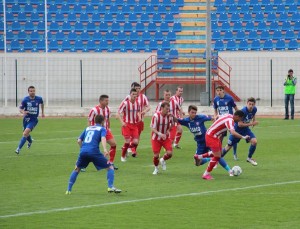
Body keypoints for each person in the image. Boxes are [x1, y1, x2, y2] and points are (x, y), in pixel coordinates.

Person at [65, 115, 121, 194]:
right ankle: (110, 187)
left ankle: (68, 190)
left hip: (83, 151)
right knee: (110, 167)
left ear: (94, 121)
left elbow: (79, 140)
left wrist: (82, 149)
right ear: (102, 121)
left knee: (77, 169)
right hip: (94, 152)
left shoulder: (88, 128)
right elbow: (103, 138)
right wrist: (105, 149)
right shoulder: (102, 129)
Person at [174, 105, 233, 176]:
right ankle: (210, 158)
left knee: (218, 156)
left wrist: (214, 118)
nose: (194, 114)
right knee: (197, 163)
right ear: (188, 112)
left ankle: (230, 170)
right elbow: (177, 120)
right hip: (200, 144)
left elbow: (210, 118)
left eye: (195, 113)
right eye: (192, 112)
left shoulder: (200, 117)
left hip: (208, 139)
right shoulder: (186, 121)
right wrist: (170, 116)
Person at [200, 110, 250, 180]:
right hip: (211, 136)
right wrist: (243, 137)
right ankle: (206, 174)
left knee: (219, 154)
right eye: (240, 119)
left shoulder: (228, 115)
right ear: (237, 116)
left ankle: (199, 156)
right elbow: (233, 132)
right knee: (217, 156)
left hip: (214, 135)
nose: (239, 121)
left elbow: (218, 117)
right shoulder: (230, 120)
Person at [222, 97, 259, 166]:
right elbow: (240, 124)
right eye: (249, 104)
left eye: (252, 104)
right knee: (228, 147)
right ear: (246, 103)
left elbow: (253, 114)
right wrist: (252, 123)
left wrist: (254, 120)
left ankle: (249, 158)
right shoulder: (243, 111)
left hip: (245, 130)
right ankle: (217, 159)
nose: (251, 106)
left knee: (254, 141)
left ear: (254, 105)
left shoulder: (254, 109)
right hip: (237, 130)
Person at [87, 94, 118, 170]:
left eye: (108, 100)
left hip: (105, 130)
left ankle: (110, 162)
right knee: (91, 149)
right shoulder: (94, 110)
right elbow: (89, 120)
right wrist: (89, 130)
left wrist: (109, 128)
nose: (107, 102)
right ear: (101, 101)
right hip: (96, 132)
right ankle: (82, 165)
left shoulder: (108, 109)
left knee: (113, 144)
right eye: (106, 100)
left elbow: (107, 119)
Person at [15, 86, 45, 154]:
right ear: (28, 92)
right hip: (26, 119)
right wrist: (23, 112)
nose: (32, 92)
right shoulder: (25, 100)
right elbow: (20, 109)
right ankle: (30, 141)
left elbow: (42, 104)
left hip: (33, 120)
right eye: (31, 91)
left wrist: (43, 113)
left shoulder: (39, 98)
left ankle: (18, 149)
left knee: (25, 133)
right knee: (26, 133)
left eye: (33, 91)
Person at [213, 85, 239, 160]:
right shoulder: (216, 99)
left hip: (230, 121)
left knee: (233, 136)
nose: (218, 92)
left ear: (223, 91)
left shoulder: (229, 98)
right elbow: (215, 109)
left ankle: (234, 153)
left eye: (220, 90)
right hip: (221, 121)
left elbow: (235, 107)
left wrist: (238, 117)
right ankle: (219, 153)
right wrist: (215, 116)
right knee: (220, 137)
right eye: (217, 90)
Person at [150, 102, 175, 175]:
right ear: (162, 108)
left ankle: (163, 160)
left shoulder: (169, 116)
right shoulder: (156, 116)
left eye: (168, 109)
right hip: (156, 138)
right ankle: (156, 168)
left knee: (170, 153)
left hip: (165, 138)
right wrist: (160, 134)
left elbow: (172, 124)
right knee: (156, 155)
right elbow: (152, 128)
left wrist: (168, 130)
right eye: (166, 109)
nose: (168, 110)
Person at [118, 88, 141, 161]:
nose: (134, 95)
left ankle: (125, 148)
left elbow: (138, 112)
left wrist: (139, 117)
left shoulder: (137, 103)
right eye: (133, 94)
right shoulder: (125, 103)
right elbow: (118, 113)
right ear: (130, 95)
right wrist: (122, 122)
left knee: (136, 142)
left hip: (134, 125)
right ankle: (122, 157)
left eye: (135, 94)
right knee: (127, 141)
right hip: (126, 125)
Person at [127, 83, 150, 155]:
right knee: (132, 136)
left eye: (139, 88)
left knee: (137, 136)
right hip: (131, 120)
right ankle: (132, 150)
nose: (138, 90)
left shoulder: (143, 97)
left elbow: (148, 107)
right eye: (136, 88)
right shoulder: (128, 97)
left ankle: (129, 148)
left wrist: (143, 112)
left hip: (140, 120)